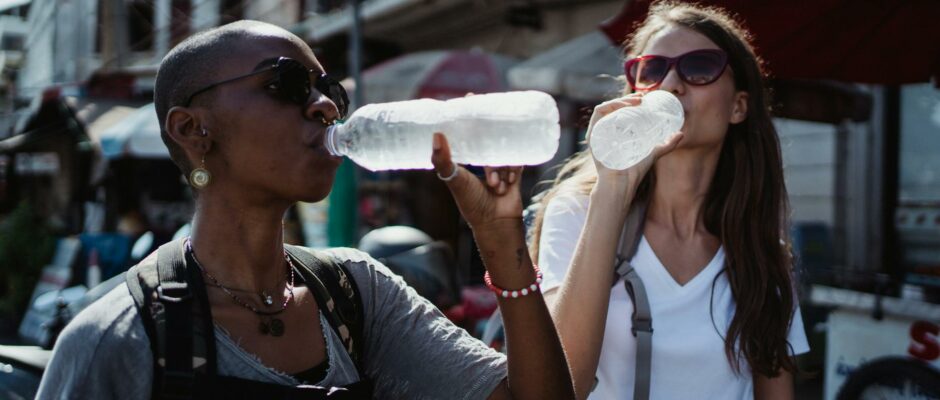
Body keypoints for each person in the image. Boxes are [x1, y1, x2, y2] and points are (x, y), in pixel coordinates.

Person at [37, 20, 573, 399]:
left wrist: (501, 242)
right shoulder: (121, 338)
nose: (325, 106)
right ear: (192, 129)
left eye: (327, 88)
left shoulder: (357, 295)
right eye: (286, 83)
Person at [528, 2, 809, 399]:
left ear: (738, 106)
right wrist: (612, 190)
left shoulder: (762, 253)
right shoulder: (577, 211)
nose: (671, 84)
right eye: (653, 70)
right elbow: (559, 385)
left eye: (699, 66)